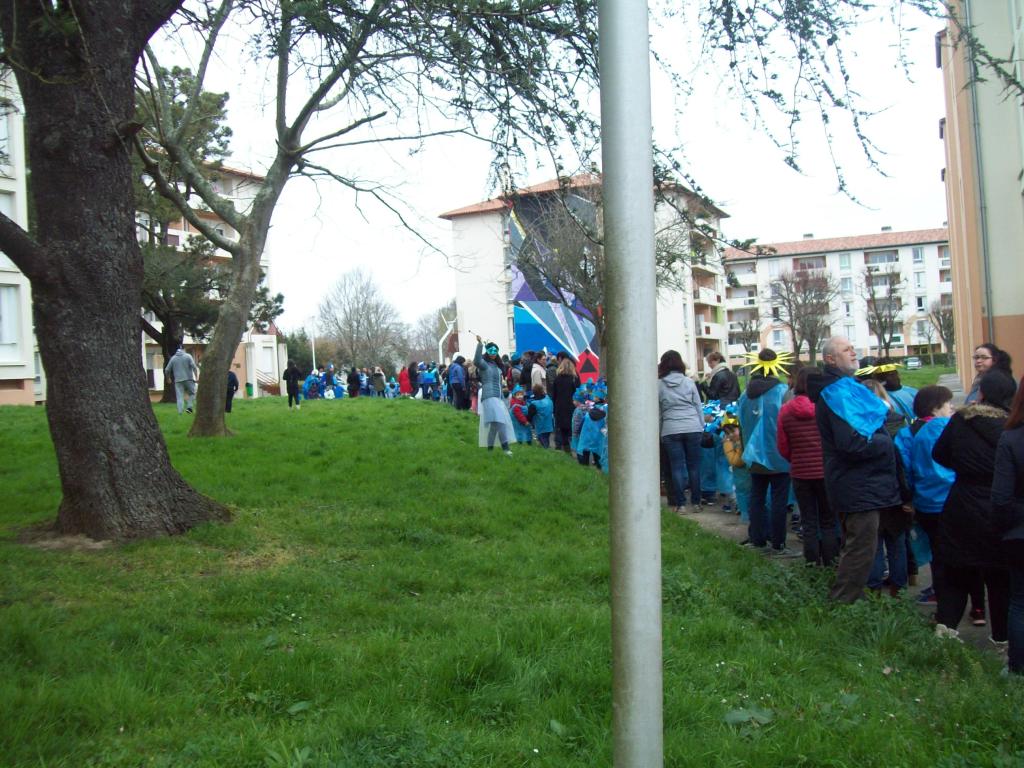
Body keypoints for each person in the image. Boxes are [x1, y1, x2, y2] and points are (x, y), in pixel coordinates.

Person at [807, 336, 902, 603]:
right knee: (860, 548)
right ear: (830, 359)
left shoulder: (847, 387)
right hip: (857, 483)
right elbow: (852, 443)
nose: (853, 352)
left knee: (861, 546)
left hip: (863, 481)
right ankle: (842, 605)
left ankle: (850, 600)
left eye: (852, 347)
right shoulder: (836, 393)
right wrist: (885, 442)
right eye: (846, 349)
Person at [931, 370, 1016, 642]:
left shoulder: (960, 420)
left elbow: (939, 453)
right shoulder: (1012, 427)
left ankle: (945, 632)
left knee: (956, 572)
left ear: (981, 393)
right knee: (1000, 579)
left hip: (962, 504)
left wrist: (965, 467)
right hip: (1000, 507)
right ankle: (1002, 640)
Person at [895, 385, 955, 608]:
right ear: (935, 408)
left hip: (925, 501)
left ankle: (939, 590)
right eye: (948, 404)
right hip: (954, 498)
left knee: (933, 549)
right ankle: (963, 594)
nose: (952, 408)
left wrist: (908, 498)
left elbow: (904, 469)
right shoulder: (951, 429)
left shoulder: (907, 433)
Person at [777, 366, 837, 566]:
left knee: (808, 521)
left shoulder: (786, 410)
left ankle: (811, 564)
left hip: (800, 471)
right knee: (828, 520)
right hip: (826, 470)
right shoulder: (826, 406)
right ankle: (831, 562)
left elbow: (782, 445)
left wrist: (795, 458)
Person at [736, 348, 793, 555]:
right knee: (779, 500)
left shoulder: (745, 395)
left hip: (754, 455)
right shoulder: (782, 392)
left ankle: (757, 539)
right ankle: (778, 543)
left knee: (756, 496)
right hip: (779, 454)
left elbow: (741, 422)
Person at [862, 379, 912, 595]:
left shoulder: (858, 427)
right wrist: (908, 495)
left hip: (869, 492)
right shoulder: (899, 423)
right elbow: (904, 463)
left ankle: (873, 590)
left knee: (874, 543)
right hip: (895, 491)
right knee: (897, 541)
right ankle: (899, 589)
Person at [993, 376, 1024, 674]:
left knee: (1020, 603)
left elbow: (1001, 498)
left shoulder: (1011, 438)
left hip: (1019, 532)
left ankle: (1018, 669)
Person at [658, 350, 704, 514]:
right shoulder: (689, 382)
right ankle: (697, 503)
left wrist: (660, 431)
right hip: (692, 427)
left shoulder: (659, 385)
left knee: (676, 467)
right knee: (694, 467)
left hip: (670, 429)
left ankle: (681, 504)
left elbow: (659, 411)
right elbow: (698, 405)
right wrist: (701, 425)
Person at [474, 336, 515, 455]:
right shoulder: (484, 364)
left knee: (494, 425)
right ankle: (506, 449)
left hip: (497, 397)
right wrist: (480, 344)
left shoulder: (497, 366)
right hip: (489, 396)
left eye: (495, 350)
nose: (493, 353)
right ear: (487, 351)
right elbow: (476, 360)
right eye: (490, 350)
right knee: (501, 422)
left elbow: (499, 383)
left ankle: (490, 451)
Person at [551, 356, 581, 453]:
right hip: (572, 406)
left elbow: (554, 395)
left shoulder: (557, 379)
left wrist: (554, 408)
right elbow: (579, 393)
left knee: (562, 429)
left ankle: (566, 448)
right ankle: (576, 449)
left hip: (560, 406)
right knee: (573, 428)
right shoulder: (575, 378)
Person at [164, 345, 199, 415]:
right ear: (184, 349)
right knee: (192, 393)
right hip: (189, 379)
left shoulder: (173, 358)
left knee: (179, 397)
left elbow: (167, 370)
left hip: (178, 381)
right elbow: (194, 367)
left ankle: (180, 413)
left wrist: (168, 378)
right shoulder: (188, 356)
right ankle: (189, 407)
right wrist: (197, 377)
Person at [529, 383, 554, 448]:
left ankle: (547, 452)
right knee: (546, 440)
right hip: (549, 426)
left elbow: (530, 416)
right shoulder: (548, 399)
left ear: (533, 392)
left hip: (540, 428)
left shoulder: (533, 404)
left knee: (544, 445)